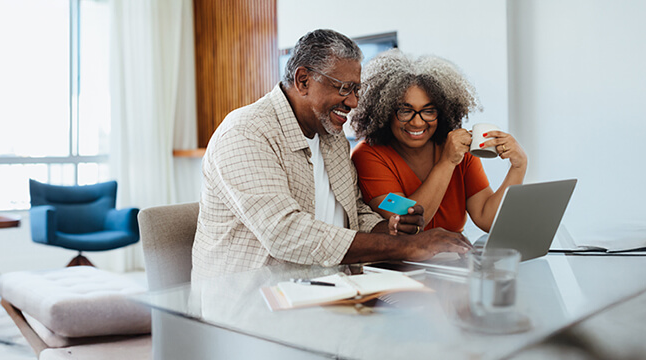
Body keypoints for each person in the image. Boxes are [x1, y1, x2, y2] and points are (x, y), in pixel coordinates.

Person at [192, 30, 470, 281]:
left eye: (357, 90)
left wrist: (391, 228)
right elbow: (286, 234)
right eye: (344, 88)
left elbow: (355, 213)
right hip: (253, 304)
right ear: (303, 81)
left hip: (331, 289)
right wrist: (408, 246)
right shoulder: (247, 133)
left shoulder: (333, 137)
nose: (353, 103)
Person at [350, 49, 528, 234]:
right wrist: (447, 162)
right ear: (385, 112)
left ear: (443, 112)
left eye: (428, 111)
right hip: (401, 262)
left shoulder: (459, 151)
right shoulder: (368, 155)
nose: (417, 122)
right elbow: (411, 222)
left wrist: (518, 167)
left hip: (454, 259)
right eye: (405, 110)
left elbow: (487, 218)